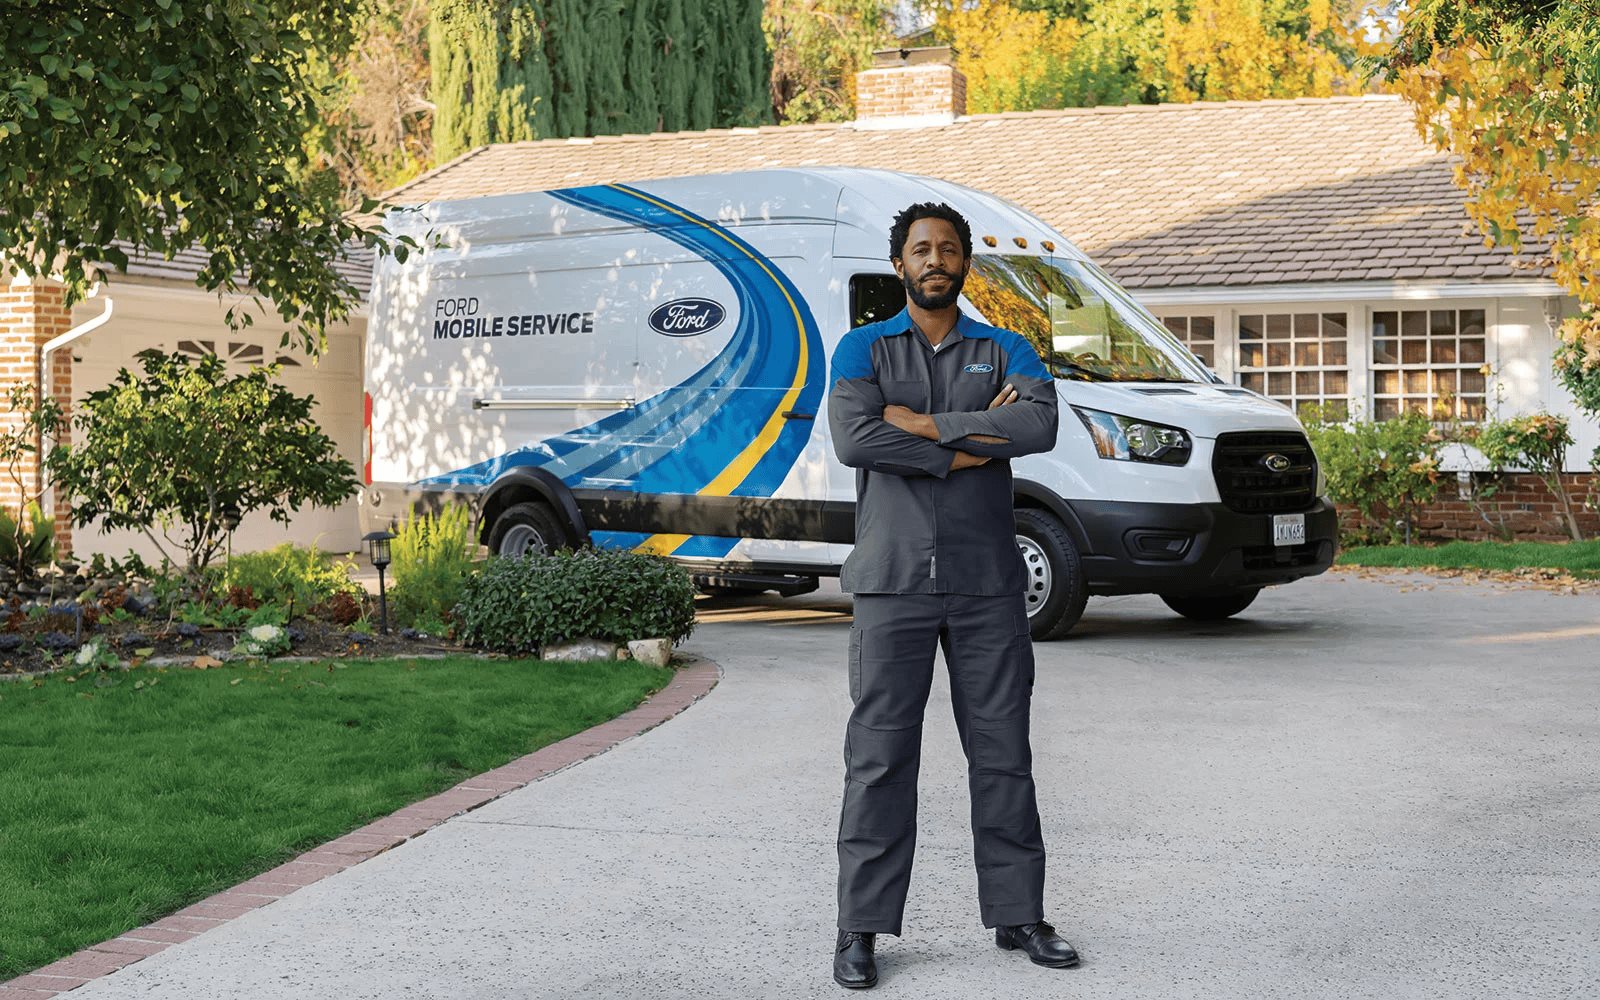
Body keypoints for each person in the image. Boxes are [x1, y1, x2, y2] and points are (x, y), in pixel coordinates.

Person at [826, 202, 1078, 989]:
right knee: (879, 760)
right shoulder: (860, 348)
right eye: (920, 249)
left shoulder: (1006, 347)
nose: (935, 259)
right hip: (892, 582)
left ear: (967, 262)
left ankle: (1019, 915)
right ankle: (860, 930)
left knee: (1003, 756)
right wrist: (970, 443)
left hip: (986, 586)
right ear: (898, 262)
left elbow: (1038, 426)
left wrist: (925, 431)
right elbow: (854, 439)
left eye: (948, 249)